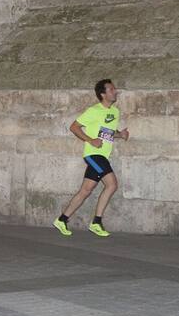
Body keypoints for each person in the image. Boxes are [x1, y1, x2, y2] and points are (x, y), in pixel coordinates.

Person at [53, 79, 129, 238]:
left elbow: (106, 132)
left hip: (102, 155)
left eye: (114, 89)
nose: (115, 91)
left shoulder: (114, 112)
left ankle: (62, 219)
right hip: (93, 155)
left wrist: (120, 134)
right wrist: (90, 140)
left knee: (86, 190)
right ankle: (96, 222)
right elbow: (74, 127)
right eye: (111, 89)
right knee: (112, 185)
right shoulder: (94, 110)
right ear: (103, 94)